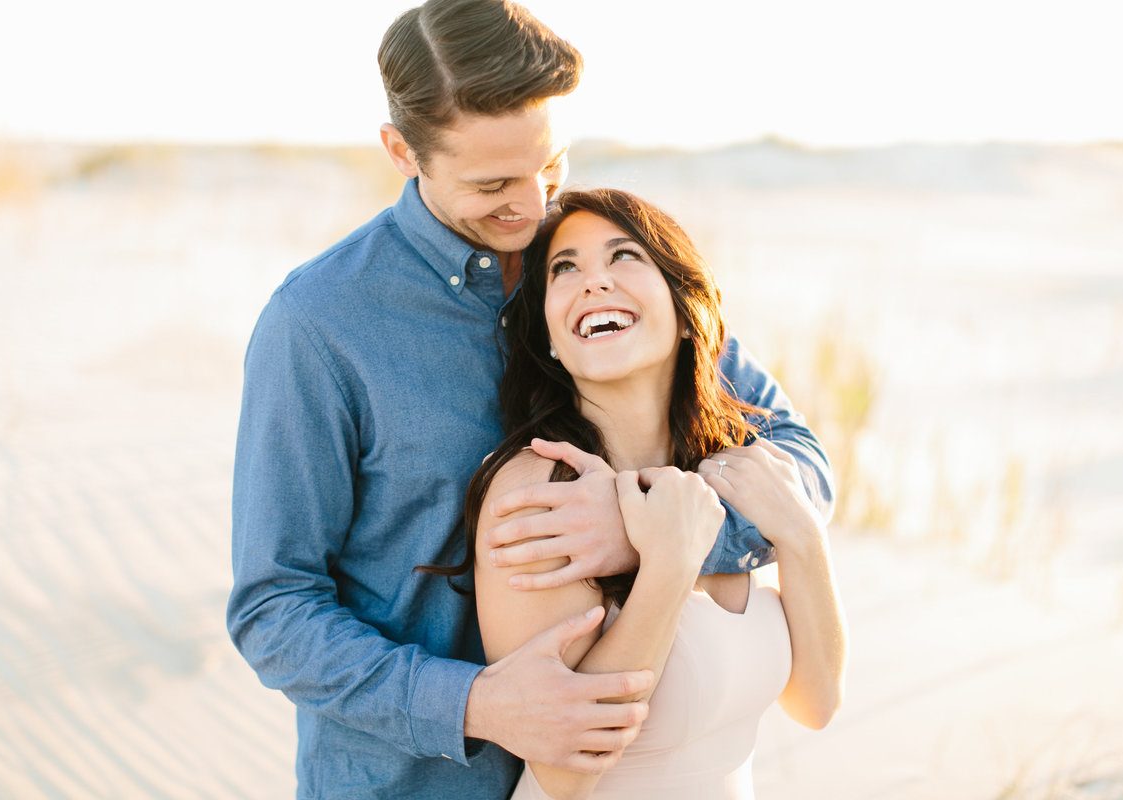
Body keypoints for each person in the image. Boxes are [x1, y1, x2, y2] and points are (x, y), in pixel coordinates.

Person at [227, 1, 834, 797]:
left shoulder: (596, 272)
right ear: (401, 151)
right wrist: (474, 702)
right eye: (492, 183)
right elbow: (273, 607)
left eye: (550, 164)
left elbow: (801, 464)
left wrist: (640, 528)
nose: (531, 202)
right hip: (414, 784)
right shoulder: (318, 326)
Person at [423, 187, 847, 799]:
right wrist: (668, 566)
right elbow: (565, 772)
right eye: (564, 268)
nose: (593, 282)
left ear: (684, 312)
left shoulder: (733, 470)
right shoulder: (542, 488)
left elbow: (817, 701)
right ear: (547, 335)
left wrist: (803, 537)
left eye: (624, 256)